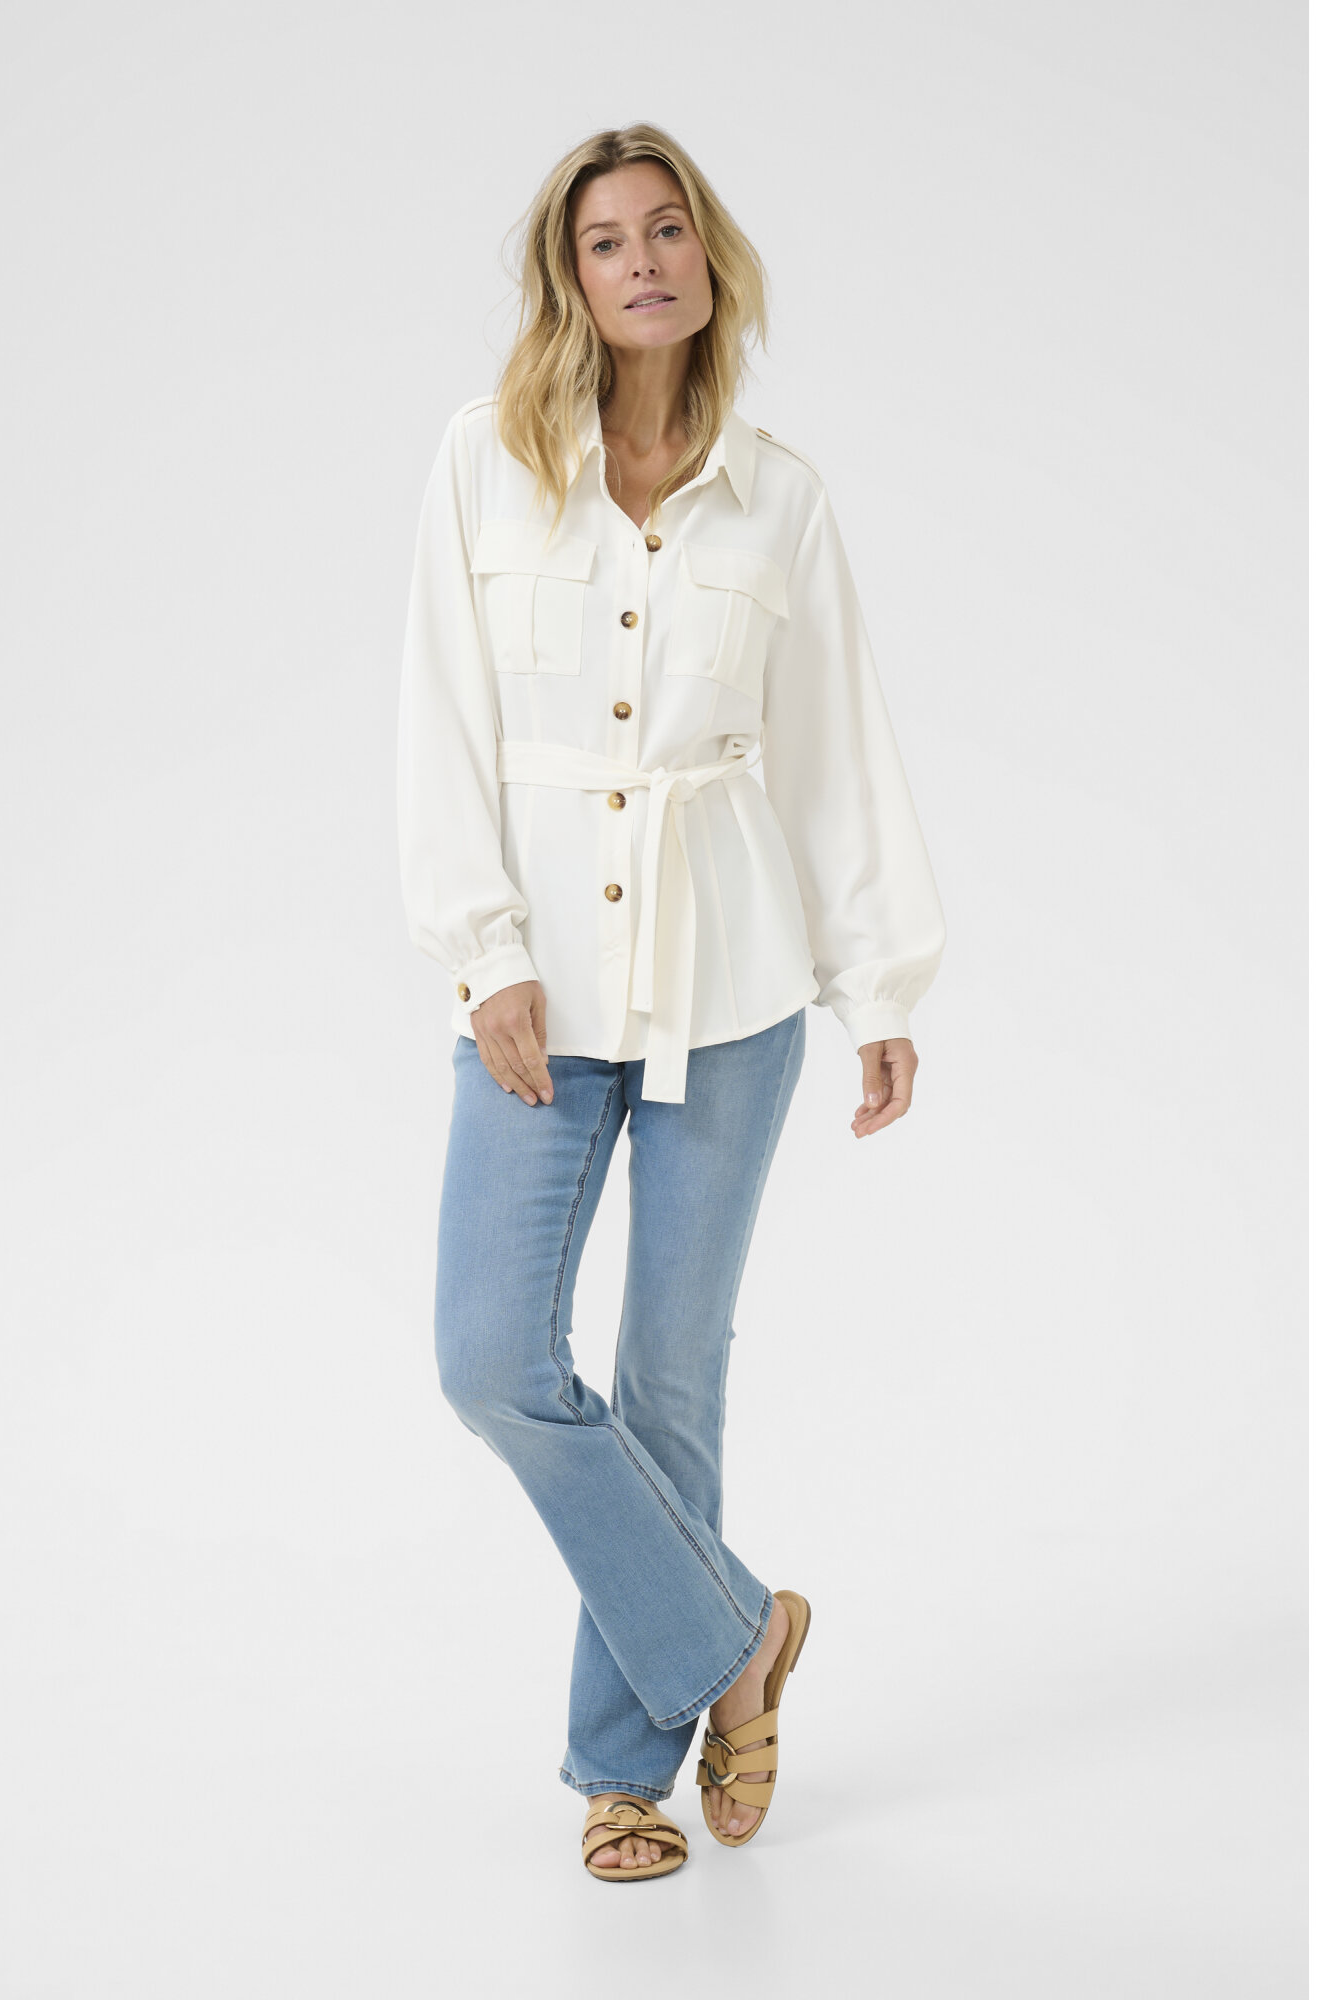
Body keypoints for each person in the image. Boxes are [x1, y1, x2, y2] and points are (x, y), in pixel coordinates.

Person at [396, 123, 946, 1881]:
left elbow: (834, 751)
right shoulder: (486, 463)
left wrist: (877, 982)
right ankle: (739, 1637)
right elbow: (440, 727)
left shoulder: (780, 496)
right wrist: (486, 952)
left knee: (668, 1381)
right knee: (492, 1359)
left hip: (736, 986)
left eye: (667, 230)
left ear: (710, 259)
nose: (642, 261)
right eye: (605, 239)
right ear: (568, 278)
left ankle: (620, 1777)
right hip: (537, 993)